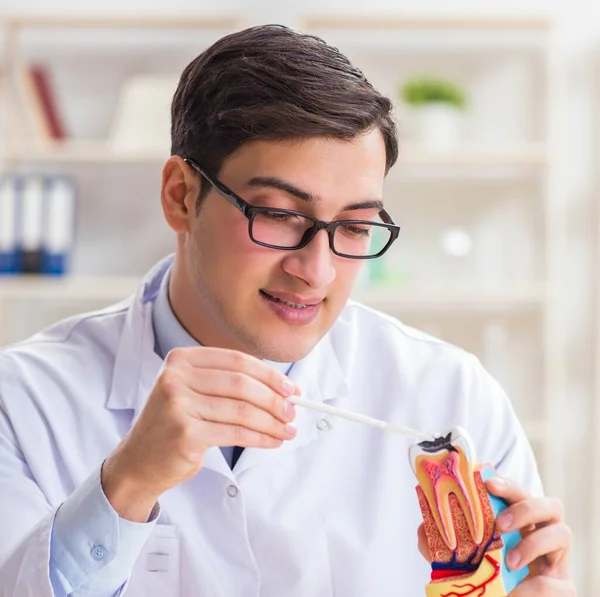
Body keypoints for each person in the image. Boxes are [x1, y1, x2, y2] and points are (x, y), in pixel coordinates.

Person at [0, 24, 574, 597]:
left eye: (353, 227)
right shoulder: (23, 403)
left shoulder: (453, 397)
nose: (316, 272)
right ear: (180, 195)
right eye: (278, 215)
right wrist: (126, 485)